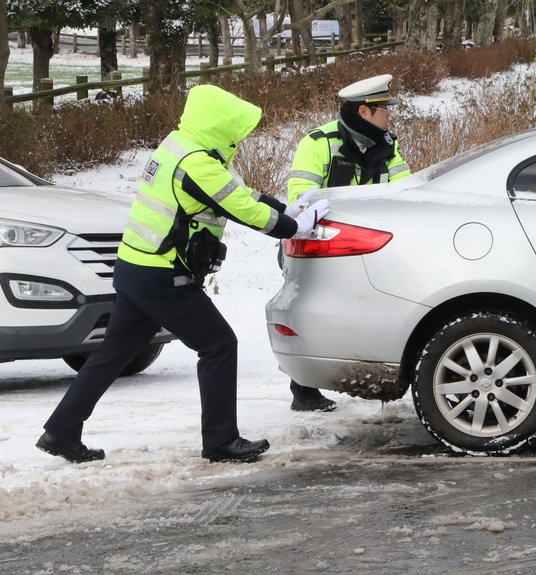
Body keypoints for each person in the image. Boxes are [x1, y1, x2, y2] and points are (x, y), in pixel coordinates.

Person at [37, 84, 330, 464]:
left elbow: (243, 195)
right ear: (220, 125)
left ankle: (60, 431)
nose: (243, 137)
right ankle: (221, 441)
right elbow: (247, 211)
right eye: (238, 129)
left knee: (113, 353)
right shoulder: (199, 164)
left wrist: (287, 208)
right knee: (218, 345)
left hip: (135, 268)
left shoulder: (180, 146)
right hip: (163, 275)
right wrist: (295, 226)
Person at [282, 74, 412, 412]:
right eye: (385, 109)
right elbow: (300, 199)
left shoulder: (388, 145)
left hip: (369, 245)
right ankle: (304, 389)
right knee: (316, 313)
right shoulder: (319, 143)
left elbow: (408, 191)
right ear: (365, 112)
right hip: (321, 245)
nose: (390, 115)